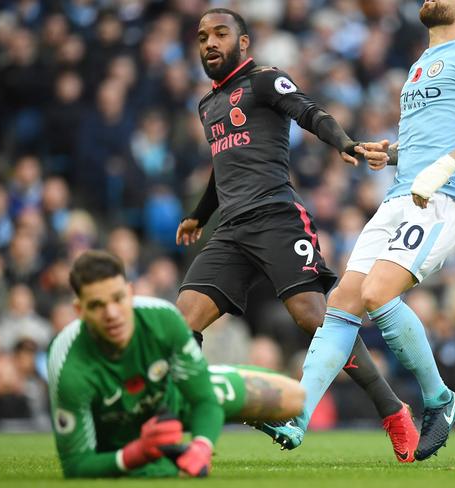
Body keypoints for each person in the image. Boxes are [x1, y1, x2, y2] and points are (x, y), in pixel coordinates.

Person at [263, 0, 455, 461]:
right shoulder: (420, 64)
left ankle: (441, 400)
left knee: (379, 293)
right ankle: (296, 416)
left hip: (442, 198)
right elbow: (433, 138)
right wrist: (393, 153)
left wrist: (445, 166)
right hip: (399, 197)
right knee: (341, 304)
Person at [175, 8, 418, 462]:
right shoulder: (207, 105)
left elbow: (310, 113)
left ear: (243, 43)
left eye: (220, 34)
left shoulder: (265, 80)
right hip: (229, 231)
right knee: (181, 323)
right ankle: (189, 414)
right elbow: (221, 169)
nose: (209, 43)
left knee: (315, 318)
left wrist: (345, 143)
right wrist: (199, 215)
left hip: (276, 218)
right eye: (202, 36)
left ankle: (393, 411)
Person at [47, 250, 305, 479]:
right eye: (97, 305)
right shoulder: (69, 364)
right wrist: (134, 454)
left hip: (171, 400)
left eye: (117, 299)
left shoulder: (163, 319)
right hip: (115, 428)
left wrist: (202, 446)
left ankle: (214, 385)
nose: (112, 314)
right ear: (79, 310)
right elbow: (77, 465)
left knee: (293, 398)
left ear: (129, 292)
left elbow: (204, 400)